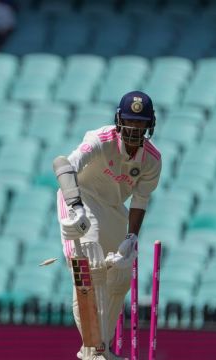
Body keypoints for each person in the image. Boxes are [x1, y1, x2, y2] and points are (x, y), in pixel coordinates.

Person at [55, 91, 161, 360]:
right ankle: (92, 349)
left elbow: (140, 199)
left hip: (115, 208)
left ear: (150, 125)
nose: (134, 128)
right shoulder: (100, 139)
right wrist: (75, 206)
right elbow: (63, 164)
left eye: (140, 123)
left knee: (121, 276)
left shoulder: (151, 160)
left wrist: (131, 237)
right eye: (129, 121)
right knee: (88, 266)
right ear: (118, 120)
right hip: (81, 197)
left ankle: (101, 347)